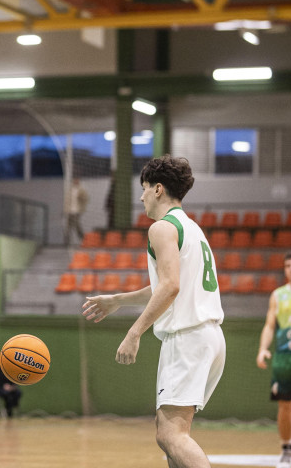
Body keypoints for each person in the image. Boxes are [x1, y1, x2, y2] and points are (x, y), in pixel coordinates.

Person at [82, 155, 224, 468]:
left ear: (158, 189)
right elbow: (167, 285)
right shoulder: (192, 228)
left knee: (170, 436)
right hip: (207, 337)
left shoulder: (162, 228)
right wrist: (117, 299)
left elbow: (170, 286)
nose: (142, 196)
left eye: (144, 188)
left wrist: (134, 332)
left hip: (188, 338)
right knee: (171, 434)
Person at [257, 252, 291, 468]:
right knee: (285, 406)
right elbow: (269, 325)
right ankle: (286, 449)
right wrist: (263, 349)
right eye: (288, 266)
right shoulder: (278, 295)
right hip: (284, 357)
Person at [64, 177, 88, 245]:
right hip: (70, 211)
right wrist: (66, 209)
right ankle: (66, 241)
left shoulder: (81, 190)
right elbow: (67, 201)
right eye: (74, 180)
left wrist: (81, 200)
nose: (75, 181)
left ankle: (83, 238)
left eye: (77, 180)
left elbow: (85, 199)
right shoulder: (70, 190)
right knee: (68, 226)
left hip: (77, 211)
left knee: (77, 225)